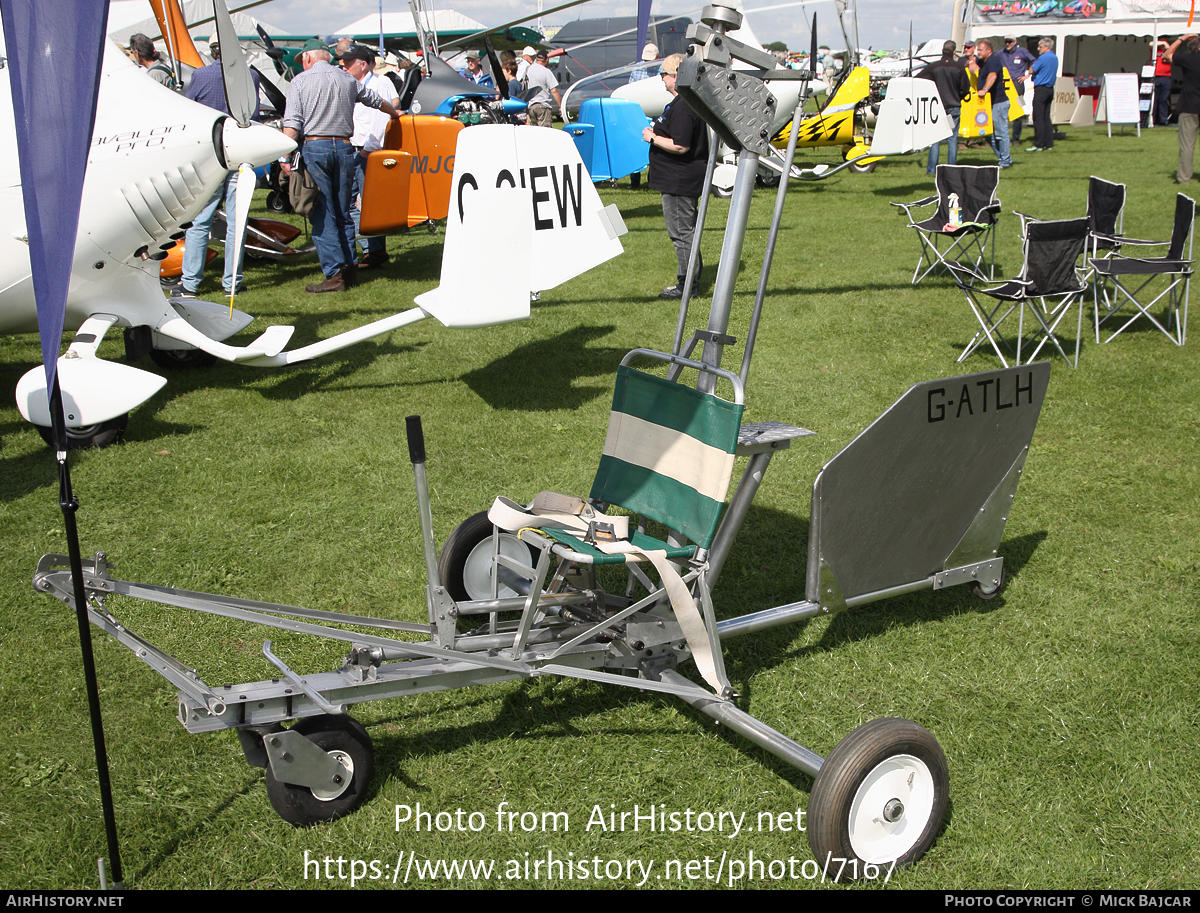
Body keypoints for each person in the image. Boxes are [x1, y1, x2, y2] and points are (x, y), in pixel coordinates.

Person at [281, 39, 401, 293]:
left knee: (323, 213)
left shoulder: (300, 82)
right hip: (346, 147)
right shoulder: (347, 79)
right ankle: (350, 268)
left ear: (307, 58)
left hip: (316, 148)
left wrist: (282, 156)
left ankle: (334, 274)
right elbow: (376, 101)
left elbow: (291, 126)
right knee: (345, 211)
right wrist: (394, 114)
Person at [175, 41, 262, 299]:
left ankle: (190, 283)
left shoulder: (200, 75)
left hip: (211, 156)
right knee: (238, 221)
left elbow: (189, 110)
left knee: (200, 220)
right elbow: (254, 112)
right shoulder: (251, 75)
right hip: (240, 153)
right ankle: (232, 283)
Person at [641, 53, 708, 300]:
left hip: (679, 180)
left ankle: (688, 285)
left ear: (677, 76)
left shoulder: (683, 107)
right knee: (685, 232)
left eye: (664, 75)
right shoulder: (684, 104)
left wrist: (653, 137)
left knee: (681, 233)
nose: (662, 80)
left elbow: (681, 146)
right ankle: (689, 281)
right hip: (678, 178)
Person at [341, 44, 399, 270]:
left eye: (349, 63)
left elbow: (381, 120)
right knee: (354, 202)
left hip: (366, 151)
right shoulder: (356, 85)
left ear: (362, 65)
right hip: (356, 148)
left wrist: (367, 150)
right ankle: (369, 248)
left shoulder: (378, 84)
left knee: (368, 203)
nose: (344, 66)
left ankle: (374, 250)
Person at [918, 40, 969, 174]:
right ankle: (951, 169)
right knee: (952, 139)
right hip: (953, 108)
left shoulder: (933, 67)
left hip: (937, 108)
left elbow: (918, 80)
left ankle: (931, 170)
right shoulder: (959, 67)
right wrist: (958, 96)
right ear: (954, 52)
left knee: (935, 139)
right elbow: (965, 88)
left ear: (942, 51)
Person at [1165, 34, 1200, 183]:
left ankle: (1184, 177)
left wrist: (1182, 38)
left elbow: (1167, 56)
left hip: (1190, 105)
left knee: (1187, 145)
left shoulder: (1189, 59)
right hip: (1191, 105)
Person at [976, 39, 1012, 169]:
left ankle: (1005, 161)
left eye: (980, 50)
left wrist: (984, 89)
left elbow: (992, 76)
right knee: (988, 134)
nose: (978, 52)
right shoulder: (983, 62)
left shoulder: (994, 60)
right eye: (977, 49)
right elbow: (974, 65)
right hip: (990, 104)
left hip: (999, 102)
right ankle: (1003, 158)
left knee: (1001, 133)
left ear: (989, 50)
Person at [997, 36, 1035, 142]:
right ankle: (1000, 137)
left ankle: (1016, 139)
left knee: (1019, 109)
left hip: (1018, 85)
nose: (1008, 44)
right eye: (1006, 42)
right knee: (1001, 110)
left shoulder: (1022, 51)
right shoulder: (1001, 53)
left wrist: (1027, 76)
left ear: (1015, 42)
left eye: (1010, 41)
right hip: (1005, 85)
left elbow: (1034, 62)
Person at [1027, 37, 1058, 152]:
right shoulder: (1054, 57)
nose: (1038, 48)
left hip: (1041, 89)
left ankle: (1039, 144)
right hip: (1050, 89)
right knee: (1046, 117)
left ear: (1046, 47)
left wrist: (1032, 67)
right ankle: (1049, 143)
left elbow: (1031, 70)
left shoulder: (1043, 57)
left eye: (1040, 46)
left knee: (1038, 117)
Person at [522, 50, 561, 128]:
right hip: (543, 105)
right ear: (546, 59)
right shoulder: (546, 71)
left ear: (537, 58)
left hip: (531, 106)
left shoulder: (528, 69)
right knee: (545, 133)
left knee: (535, 133)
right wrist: (560, 106)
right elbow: (554, 90)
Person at [1153, 39, 1174, 126]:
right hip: (1155, 76)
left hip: (1166, 76)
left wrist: (1168, 47)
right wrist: (1163, 43)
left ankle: (1163, 119)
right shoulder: (1155, 48)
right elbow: (1151, 44)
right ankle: (1152, 119)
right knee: (1154, 99)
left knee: (1163, 99)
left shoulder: (1169, 50)